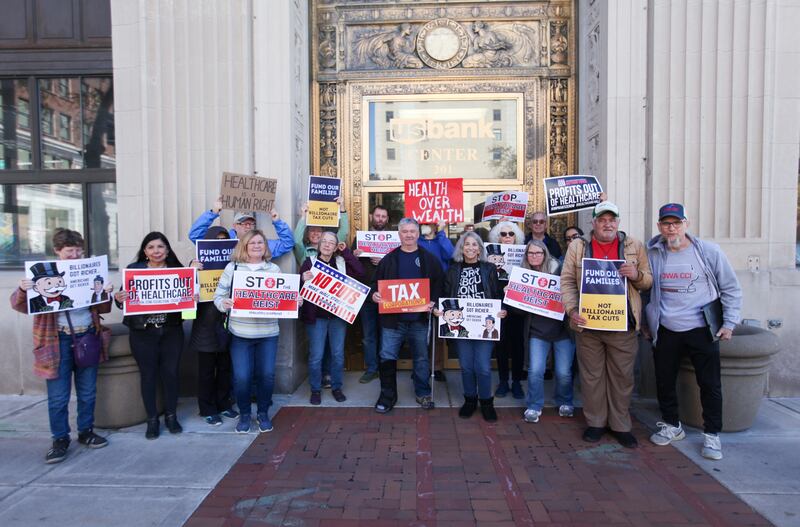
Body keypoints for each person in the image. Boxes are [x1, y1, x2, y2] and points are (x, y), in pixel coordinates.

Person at [645, 203, 742, 460]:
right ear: (659, 227)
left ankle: (712, 436)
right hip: (666, 328)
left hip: (702, 328)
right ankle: (672, 425)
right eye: (666, 223)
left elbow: (730, 288)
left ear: (686, 224)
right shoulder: (652, 252)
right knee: (664, 381)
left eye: (676, 222)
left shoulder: (708, 251)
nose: (671, 228)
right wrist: (646, 324)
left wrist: (729, 323)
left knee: (709, 384)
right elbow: (645, 290)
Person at [10, 228, 111, 463]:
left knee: (88, 391)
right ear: (57, 251)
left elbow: (103, 309)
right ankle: (60, 438)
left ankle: (86, 431)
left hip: (87, 336)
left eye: (78, 250)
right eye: (69, 251)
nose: (75, 255)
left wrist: (104, 293)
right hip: (57, 340)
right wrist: (24, 289)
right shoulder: (42, 275)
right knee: (58, 395)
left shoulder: (88, 272)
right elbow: (19, 305)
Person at [560, 201, 652, 448]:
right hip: (588, 325)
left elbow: (648, 281)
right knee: (592, 377)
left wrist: (636, 275)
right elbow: (567, 281)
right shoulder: (579, 247)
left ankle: (620, 425)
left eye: (612, 219)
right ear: (594, 223)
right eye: (602, 220)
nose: (607, 224)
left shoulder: (634, 246)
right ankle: (596, 423)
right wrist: (572, 309)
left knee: (622, 378)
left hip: (622, 325)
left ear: (618, 222)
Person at [215, 230, 292, 434]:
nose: (257, 246)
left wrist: (294, 301)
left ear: (265, 246)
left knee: (266, 376)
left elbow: (283, 297)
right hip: (240, 334)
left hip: (268, 333)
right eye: (252, 243)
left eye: (260, 242)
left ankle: (263, 413)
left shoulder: (273, 269)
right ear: (245, 246)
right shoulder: (233, 268)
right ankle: (245, 414)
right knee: (242, 377)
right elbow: (218, 296)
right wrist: (224, 303)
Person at [115, 232, 186, 440]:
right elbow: (122, 301)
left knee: (171, 374)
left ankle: (171, 416)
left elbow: (189, 310)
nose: (156, 251)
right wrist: (119, 299)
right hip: (142, 333)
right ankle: (152, 419)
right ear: (145, 252)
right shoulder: (134, 271)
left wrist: (191, 299)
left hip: (171, 331)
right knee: (148, 376)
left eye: (161, 247)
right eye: (151, 247)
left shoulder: (178, 271)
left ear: (167, 250)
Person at [372, 218, 444, 413]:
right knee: (387, 356)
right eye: (405, 231)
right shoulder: (389, 259)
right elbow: (375, 284)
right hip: (392, 321)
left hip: (419, 320)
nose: (409, 235)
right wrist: (375, 295)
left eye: (413, 231)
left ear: (418, 234)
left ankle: (422, 392)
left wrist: (434, 301)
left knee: (421, 358)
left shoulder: (429, 259)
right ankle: (388, 395)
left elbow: (439, 283)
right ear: (399, 234)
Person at [437, 232, 506, 421]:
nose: (470, 248)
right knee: (466, 366)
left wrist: (502, 310)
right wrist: (439, 310)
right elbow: (444, 294)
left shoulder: (489, 268)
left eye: (474, 245)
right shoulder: (452, 269)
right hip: (462, 325)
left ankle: (486, 402)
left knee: (483, 366)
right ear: (461, 247)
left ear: (480, 249)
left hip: (485, 323)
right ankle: (470, 400)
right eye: (467, 244)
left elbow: (498, 294)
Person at [300, 231, 364, 404]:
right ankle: (315, 389)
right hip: (317, 318)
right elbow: (299, 289)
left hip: (337, 317)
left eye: (331, 242)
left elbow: (360, 273)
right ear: (319, 245)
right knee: (316, 356)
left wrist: (347, 253)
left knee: (337, 355)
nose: (327, 245)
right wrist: (302, 278)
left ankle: (336, 387)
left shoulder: (342, 262)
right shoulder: (309, 262)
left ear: (336, 247)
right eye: (324, 242)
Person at [520, 240, 575, 423]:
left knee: (563, 372)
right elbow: (517, 310)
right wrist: (510, 294)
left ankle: (565, 401)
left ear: (545, 254)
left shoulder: (560, 271)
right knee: (535, 370)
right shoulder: (522, 275)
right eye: (531, 253)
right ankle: (534, 405)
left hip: (562, 331)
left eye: (538, 253)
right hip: (537, 331)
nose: (534, 256)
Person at [188, 226, 238, 426]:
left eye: (224, 239)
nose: (220, 243)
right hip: (205, 326)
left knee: (225, 367)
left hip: (226, 323)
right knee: (207, 370)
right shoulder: (196, 266)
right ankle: (207, 408)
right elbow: (186, 298)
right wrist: (191, 272)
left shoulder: (235, 266)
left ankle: (224, 404)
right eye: (216, 239)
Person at [487, 220, 526, 399]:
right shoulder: (490, 254)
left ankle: (517, 382)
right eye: (503, 234)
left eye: (511, 234)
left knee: (518, 345)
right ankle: (503, 381)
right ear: (498, 237)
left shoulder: (524, 253)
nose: (508, 237)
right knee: (501, 345)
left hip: (518, 305)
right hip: (498, 304)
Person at [351, 204, 389, 384]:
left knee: (387, 333)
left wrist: (384, 260)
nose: (380, 219)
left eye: (383, 216)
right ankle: (372, 369)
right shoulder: (360, 239)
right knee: (368, 335)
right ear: (371, 216)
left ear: (387, 219)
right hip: (365, 293)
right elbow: (349, 263)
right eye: (378, 215)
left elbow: (399, 262)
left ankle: (385, 368)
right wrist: (355, 255)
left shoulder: (394, 239)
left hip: (388, 294)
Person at [188, 198, 294, 259]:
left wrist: (277, 221)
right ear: (235, 225)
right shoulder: (224, 240)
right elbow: (195, 235)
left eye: (251, 223)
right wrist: (213, 212)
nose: (248, 226)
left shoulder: (260, 245)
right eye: (244, 223)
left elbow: (287, 244)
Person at [418, 220, 454, 382]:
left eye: (428, 223)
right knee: (418, 330)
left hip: (439, 288)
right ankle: (419, 366)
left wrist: (441, 233)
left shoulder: (441, 240)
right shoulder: (417, 241)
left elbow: (451, 255)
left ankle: (436, 367)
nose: (425, 225)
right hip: (418, 289)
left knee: (437, 332)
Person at [293, 197, 349, 267]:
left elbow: (344, 232)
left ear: (323, 234)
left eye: (319, 231)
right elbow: (297, 241)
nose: (315, 233)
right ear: (307, 234)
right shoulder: (304, 252)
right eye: (312, 230)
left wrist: (342, 209)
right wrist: (303, 216)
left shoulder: (330, 246)